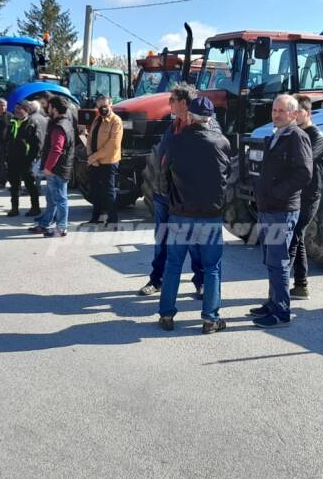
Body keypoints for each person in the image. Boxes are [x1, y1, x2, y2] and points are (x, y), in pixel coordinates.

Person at [157, 96, 231, 334]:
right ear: (209, 119)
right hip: (210, 214)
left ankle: (166, 314)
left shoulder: (176, 143)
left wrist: (172, 201)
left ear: (189, 116)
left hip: (180, 213)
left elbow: (164, 175)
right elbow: (226, 176)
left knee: (173, 265)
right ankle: (210, 318)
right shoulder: (221, 142)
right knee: (212, 268)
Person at [138, 84, 212, 297]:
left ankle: (201, 281)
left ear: (183, 103)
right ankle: (156, 280)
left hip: (187, 199)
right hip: (163, 195)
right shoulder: (172, 127)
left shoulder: (206, 127)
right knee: (161, 240)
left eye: (171, 100)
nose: (168, 103)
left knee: (194, 243)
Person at [248, 94, 313, 329]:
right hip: (268, 209)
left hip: (281, 210)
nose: (276, 114)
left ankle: (281, 311)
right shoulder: (278, 134)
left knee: (279, 261)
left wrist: (277, 193)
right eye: (274, 110)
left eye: (281, 111)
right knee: (270, 260)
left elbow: (304, 173)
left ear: (294, 114)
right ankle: (272, 302)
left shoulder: (297, 137)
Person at [289, 94, 323, 299]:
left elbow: (302, 163)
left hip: (309, 196)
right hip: (295, 195)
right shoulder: (294, 133)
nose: (295, 116)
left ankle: (290, 286)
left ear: (308, 113)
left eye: (299, 112)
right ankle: (300, 285)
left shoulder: (317, 137)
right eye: (293, 112)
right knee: (297, 238)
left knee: (294, 236)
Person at [29, 94, 75, 237]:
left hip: (57, 170)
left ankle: (61, 228)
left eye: (48, 106)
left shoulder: (60, 126)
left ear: (54, 108)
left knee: (60, 199)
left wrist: (48, 167)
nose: (46, 108)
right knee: (52, 199)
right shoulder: (62, 123)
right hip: (58, 168)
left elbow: (56, 149)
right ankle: (45, 224)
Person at [84, 94, 124, 227]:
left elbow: (113, 145)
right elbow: (89, 140)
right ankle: (96, 217)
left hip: (109, 161)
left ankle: (112, 219)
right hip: (95, 161)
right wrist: (90, 156)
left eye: (105, 106)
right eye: (100, 106)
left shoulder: (116, 121)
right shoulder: (96, 120)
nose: (102, 108)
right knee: (95, 190)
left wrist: (94, 157)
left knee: (108, 191)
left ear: (111, 104)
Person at [11, 98, 47, 217]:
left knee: (30, 185)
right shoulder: (13, 121)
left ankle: (35, 208)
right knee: (14, 185)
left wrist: (31, 159)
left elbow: (37, 144)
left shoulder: (32, 123)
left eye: (19, 109)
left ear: (26, 110)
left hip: (26, 160)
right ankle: (14, 208)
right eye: (15, 109)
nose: (16, 111)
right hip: (13, 158)